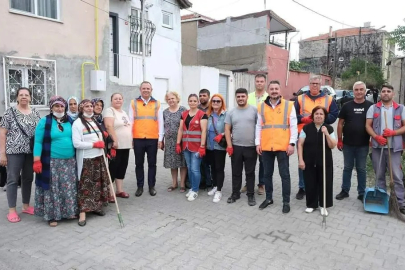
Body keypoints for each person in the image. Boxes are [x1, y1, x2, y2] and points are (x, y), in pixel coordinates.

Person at [33, 96, 77, 227]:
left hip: (70, 162)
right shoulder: (44, 122)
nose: (59, 108)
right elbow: (38, 141)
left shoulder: (70, 120)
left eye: (62, 106)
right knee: (53, 190)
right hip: (51, 162)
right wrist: (36, 160)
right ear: (51, 107)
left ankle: (69, 212)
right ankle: (52, 216)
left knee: (68, 188)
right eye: (56, 106)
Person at [294, 75, 339, 200]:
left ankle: (318, 186)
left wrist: (321, 120)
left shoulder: (328, 99)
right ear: (309, 84)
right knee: (303, 161)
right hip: (304, 133)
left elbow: (335, 114)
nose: (315, 85)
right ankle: (302, 187)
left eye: (317, 84)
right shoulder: (299, 98)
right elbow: (293, 116)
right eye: (313, 83)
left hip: (322, 132)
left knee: (320, 161)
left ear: (321, 85)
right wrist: (304, 119)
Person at [255, 80, 297, 213]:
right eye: (272, 89)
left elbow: (293, 126)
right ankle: (268, 198)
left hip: (283, 147)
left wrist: (292, 143)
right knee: (267, 175)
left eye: (276, 89)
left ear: (280, 91)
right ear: (269, 91)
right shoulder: (261, 106)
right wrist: (258, 143)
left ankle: (286, 202)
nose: (274, 91)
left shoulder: (289, 105)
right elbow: (258, 126)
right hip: (266, 146)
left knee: (285, 175)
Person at [0, 87, 41, 223]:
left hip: (30, 152)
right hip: (13, 151)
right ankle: (12, 210)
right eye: (21, 95)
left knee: (28, 178)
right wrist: (2, 153)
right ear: (17, 97)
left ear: (30, 98)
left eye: (26, 95)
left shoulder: (35, 112)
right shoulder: (9, 112)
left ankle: (25, 205)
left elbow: (40, 133)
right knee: (12, 179)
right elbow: (2, 133)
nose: (24, 97)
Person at [365, 84, 405, 214]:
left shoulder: (400, 108)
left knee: (397, 176)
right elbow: (368, 126)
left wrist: (393, 133)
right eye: (383, 91)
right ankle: (382, 200)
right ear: (380, 94)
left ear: (393, 94)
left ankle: (400, 203)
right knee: (379, 174)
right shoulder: (373, 108)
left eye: (388, 91)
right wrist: (376, 137)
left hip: (394, 148)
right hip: (378, 147)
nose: (386, 93)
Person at [72, 99, 110, 226]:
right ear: (81, 109)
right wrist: (94, 144)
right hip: (86, 159)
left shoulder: (94, 121)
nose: (89, 108)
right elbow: (77, 143)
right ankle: (82, 212)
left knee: (97, 183)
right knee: (85, 185)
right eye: (86, 106)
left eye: (91, 106)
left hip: (99, 157)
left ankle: (96, 207)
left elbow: (100, 137)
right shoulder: (77, 124)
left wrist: (103, 141)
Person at [336, 82, 373, 201]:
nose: (359, 92)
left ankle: (361, 193)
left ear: (365, 91)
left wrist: (373, 139)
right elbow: (340, 123)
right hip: (347, 144)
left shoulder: (371, 106)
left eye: (361, 89)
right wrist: (339, 140)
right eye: (356, 90)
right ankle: (345, 190)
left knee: (361, 168)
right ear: (353, 91)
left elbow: (374, 125)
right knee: (347, 167)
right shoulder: (346, 106)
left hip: (363, 144)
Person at [298, 106, 336, 215]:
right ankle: (311, 204)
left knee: (325, 182)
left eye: (321, 114)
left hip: (325, 161)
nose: (318, 116)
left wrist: (327, 134)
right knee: (310, 182)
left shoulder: (329, 128)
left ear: (325, 116)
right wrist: (301, 159)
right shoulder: (306, 128)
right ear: (313, 116)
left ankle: (324, 205)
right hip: (309, 161)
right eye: (316, 114)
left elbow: (332, 145)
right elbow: (300, 144)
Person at [129, 81, 163, 197]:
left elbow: (160, 122)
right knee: (139, 164)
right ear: (140, 89)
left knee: (152, 164)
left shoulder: (157, 103)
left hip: (152, 138)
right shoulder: (134, 103)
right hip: (138, 137)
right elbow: (130, 121)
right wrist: (131, 138)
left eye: (148, 88)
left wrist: (160, 138)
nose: (146, 90)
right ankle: (140, 186)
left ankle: (151, 186)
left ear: (151, 90)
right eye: (144, 88)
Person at [225, 88, 258, 206]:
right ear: (235, 98)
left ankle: (250, 194)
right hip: (236, 147)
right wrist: (229, 145)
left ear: (247, 97)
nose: (240, 99)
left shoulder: (254, 110)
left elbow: (259, 128)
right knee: (236, 172)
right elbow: (227, 129)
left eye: (243, 96)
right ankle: (235, 194)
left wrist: (259, 143)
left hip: (251, 147)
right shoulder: (231, 112)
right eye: (238, 97)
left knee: (250, 172)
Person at [176, 94, 207, 201]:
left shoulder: (202, 114)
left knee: (195, 169)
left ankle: (195, 190)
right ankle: (193, 188)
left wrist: (202, 146)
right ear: (188, 102)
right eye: (190, 101)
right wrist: (178, 143)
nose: (192, 102)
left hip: (197, 147)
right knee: (189, 168)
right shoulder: (183, 114)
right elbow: (181, 129)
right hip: (186, 146)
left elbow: (204, 131)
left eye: (194, 101)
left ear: (198, 102)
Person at [103, 93, 132, 199]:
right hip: (116, 146)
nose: (118, 100)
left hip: (125, 145)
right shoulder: (109, 111)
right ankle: (110, 193)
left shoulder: (123, 112)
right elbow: (108, 126)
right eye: (115, 99)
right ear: (111, 100)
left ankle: (119, 190)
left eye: (120, 98)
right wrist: (114, 140)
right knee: (113, 168)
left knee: (122, 167)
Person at [247, 74, 268, 195]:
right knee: (249, 161)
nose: (259, 83)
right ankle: (248, 183)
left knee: (263, 161)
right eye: (257, 81)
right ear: (255, 82)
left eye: (261, 81)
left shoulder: (269, 97)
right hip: (249, 132)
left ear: (265, 82)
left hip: (264, 134)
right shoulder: (249, 96)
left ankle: (261, 184)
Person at [163, 91, 187, 193]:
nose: (171, 100)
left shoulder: (183, 110)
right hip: (169, 141)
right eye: (168, 99)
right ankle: (174, 183)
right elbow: (162, 127)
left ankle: (182, 184)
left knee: (182, 162)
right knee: (172, 163)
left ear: (177, 99)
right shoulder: (165, 112)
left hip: (182, 140)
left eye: (173, 98)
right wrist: (161, 140)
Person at [205, 94, 227, 203]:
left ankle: (219, 190)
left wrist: (222, 134)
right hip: (210, 146)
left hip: (220, 146)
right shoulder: (208, 115)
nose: (215, 103)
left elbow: (230, 129)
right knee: (212, 167)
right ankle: (215, 186)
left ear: (222, 103)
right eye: (213, 101)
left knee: (219, 168)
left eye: (218, 101)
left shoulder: (226, 115)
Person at [197, 88, 212, 189]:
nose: (202, 97)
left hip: (210, 139)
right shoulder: (196, 108)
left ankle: (210, 182)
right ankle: (203, 181)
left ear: (208, 97)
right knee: (201, 162)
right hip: (198, 139)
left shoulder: (212, 107)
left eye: (204, 95)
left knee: (209, 162)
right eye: (200, 96)